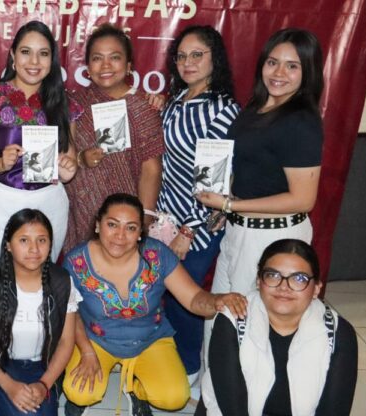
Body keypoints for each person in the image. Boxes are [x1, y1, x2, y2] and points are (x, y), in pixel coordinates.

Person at [62, 193, 247, 416]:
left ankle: (136, 390)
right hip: (97, 340)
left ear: (140, 233)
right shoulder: (76, 261)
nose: (120, 235)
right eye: (112, 225)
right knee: (80, 393)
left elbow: (193, 298)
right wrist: (87, 352)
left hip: (150, 338)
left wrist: (217, 300)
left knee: (174, 398)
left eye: (131, 228)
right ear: (98, 225)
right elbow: (70, 314)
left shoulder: (157, 255)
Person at [195, 28, 324, 296]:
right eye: (272, 62)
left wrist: (231, 205)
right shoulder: (255, 108)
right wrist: (225, 206)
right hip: (237, 231)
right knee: (221, 319)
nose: (278, 73)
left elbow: (302, 199)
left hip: (273, 238)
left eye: (292, 66)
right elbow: (246, 167)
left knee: (251, 325)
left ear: (307, 72)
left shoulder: (301, 122)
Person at [0, 20, 81, 273]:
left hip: (49, 202)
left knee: (41, 279)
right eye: (26, 52)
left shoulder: (63, 102)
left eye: (43, 53)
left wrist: (68, 169)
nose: (34, 61)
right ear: (13, 56)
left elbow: (70, 160)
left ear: (52, 60)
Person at [156, 25, 241, 384]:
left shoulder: (221, 110)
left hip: (198, 223)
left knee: (184, 295)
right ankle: (175, 356)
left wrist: (188, 231)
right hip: (165, 214)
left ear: (214, 58)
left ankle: (190, 367)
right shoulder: (178, 100)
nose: (188, 63)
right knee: (164, 291)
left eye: (197, 55)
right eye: (181, 56)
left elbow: (212, 186)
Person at [199, 239, 358, 415]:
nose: (284, 287)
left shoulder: (338, 333)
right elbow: (232, 408)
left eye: (299, 278)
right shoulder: (232, 320)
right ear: (259, 282)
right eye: (273, 275)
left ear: (316, 289)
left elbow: (335, 410)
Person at [0, 209, 80, 415]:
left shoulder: (62, 281)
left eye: (42, 240)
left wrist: (44, 384)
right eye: (24, 240)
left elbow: (65, 342)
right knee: (19, 412)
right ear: (8, 245)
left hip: (42, 364)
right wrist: (9, 385)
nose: (34, 249)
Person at [63, 23, 164, 254]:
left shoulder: (143, 107)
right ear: (87, 66)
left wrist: (144, 219)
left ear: (128, 66)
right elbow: (65, 155)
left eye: (115, 57)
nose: (106, 65)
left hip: (125, 220)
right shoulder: (75, 104)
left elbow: (152, 169)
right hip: (81, 214)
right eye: (97, 58)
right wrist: (81, 158)